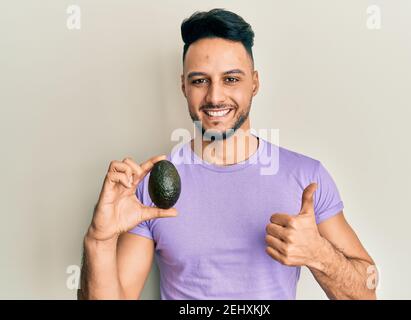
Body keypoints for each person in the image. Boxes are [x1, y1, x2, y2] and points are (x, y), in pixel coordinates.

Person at [78, 8, 377, 300]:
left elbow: (367, 292)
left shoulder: (306, 178)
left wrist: (320, 255)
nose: (215, 96)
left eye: (231, 79)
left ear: (255, 83)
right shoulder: (146, 185)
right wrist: (100, 239)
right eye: (199, 80)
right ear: (183, 86)